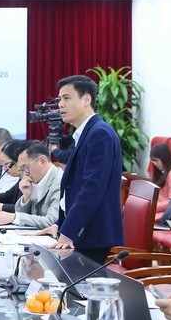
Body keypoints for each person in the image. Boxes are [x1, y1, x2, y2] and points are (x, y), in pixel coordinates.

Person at [38, 75, 124, 263]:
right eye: (60, 99)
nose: (60, 104)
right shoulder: (84, 133)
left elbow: (92, 188)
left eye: (67, 98)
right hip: (81, 232)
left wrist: (69, 232)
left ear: (86, 100)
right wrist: (60, 225)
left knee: (76, 283)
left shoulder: (99, 134)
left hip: (91, 233)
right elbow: (74, 187)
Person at [0, 141, 63, 229]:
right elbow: (21, 213)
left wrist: (15, 217)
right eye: (22, 169)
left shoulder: (59, 182)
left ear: (42, 161)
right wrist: (26, 197)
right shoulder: (35, 178)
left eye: (26, 167)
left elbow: (52, 222)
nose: (25, 173)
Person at [150, 143, 171, 222]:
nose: (154, 164)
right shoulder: (161, 172)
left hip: (165, 213)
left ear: (164, 159)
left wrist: (153, 206)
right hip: (155, 209)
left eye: (156, 160)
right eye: (153, 161)